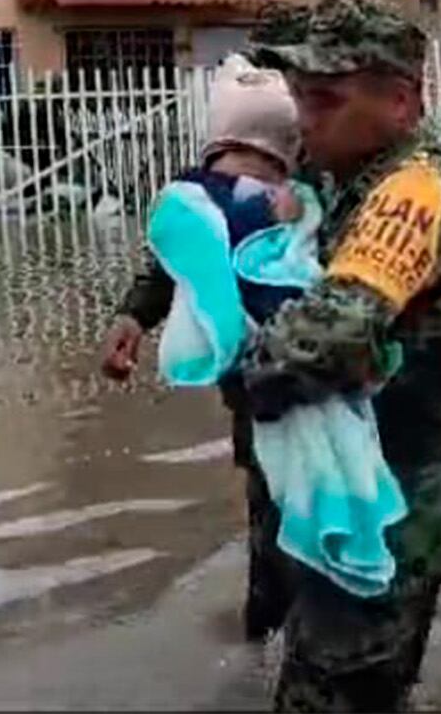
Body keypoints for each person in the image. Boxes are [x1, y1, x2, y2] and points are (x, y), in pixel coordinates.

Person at [243, 0, 441, 713]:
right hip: (329, 502)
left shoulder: (415, 191)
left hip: (387, 525)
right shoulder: (338, 180)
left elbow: (329, 335)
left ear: (401, 103)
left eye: (324, 99)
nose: (302, 117)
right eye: (296, 97)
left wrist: (241, 357)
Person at [100, 54, 306, 642]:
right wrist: (134, 317)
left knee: (286, 539)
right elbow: (174, 267)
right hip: (269, 401)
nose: (228, 175)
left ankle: (272, 646)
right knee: (281, 533)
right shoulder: (232, 203)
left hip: (302, 391)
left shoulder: (304, 201)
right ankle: (269, 643)